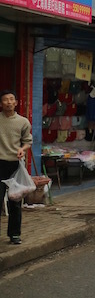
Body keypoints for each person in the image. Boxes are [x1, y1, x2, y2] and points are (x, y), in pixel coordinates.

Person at [0, 90, 32, 245]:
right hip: (0, 163)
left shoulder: (23, 122)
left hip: (15, 165)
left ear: (16, 102)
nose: (9, 102)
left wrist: (22, 149)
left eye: (11, 99)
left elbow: (28, 141)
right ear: (1, 104)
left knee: (15, 202)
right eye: (5, 100)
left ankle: (14, 235)